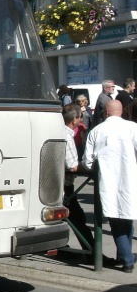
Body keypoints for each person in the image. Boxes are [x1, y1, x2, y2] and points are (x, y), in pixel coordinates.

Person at [83, 100, 137, 273]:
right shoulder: (132, 128)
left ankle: (127, 259)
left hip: (107, 180)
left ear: (106, 112)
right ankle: (125, 256)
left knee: (116, 220)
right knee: (126, 218)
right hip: (129, 178)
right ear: (121, 112)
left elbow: (87, 160)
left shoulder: (97, 131)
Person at [62, 105, 95, 252]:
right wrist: (87, 166)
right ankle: (92, 253)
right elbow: (71, 165)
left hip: (60, 185)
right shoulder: (67, 135)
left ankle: (62, 248)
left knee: (67, 218)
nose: (82, 118)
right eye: (80, 116)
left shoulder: (61, 131)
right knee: (78, 219)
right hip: (64, 186)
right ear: (75, 119)